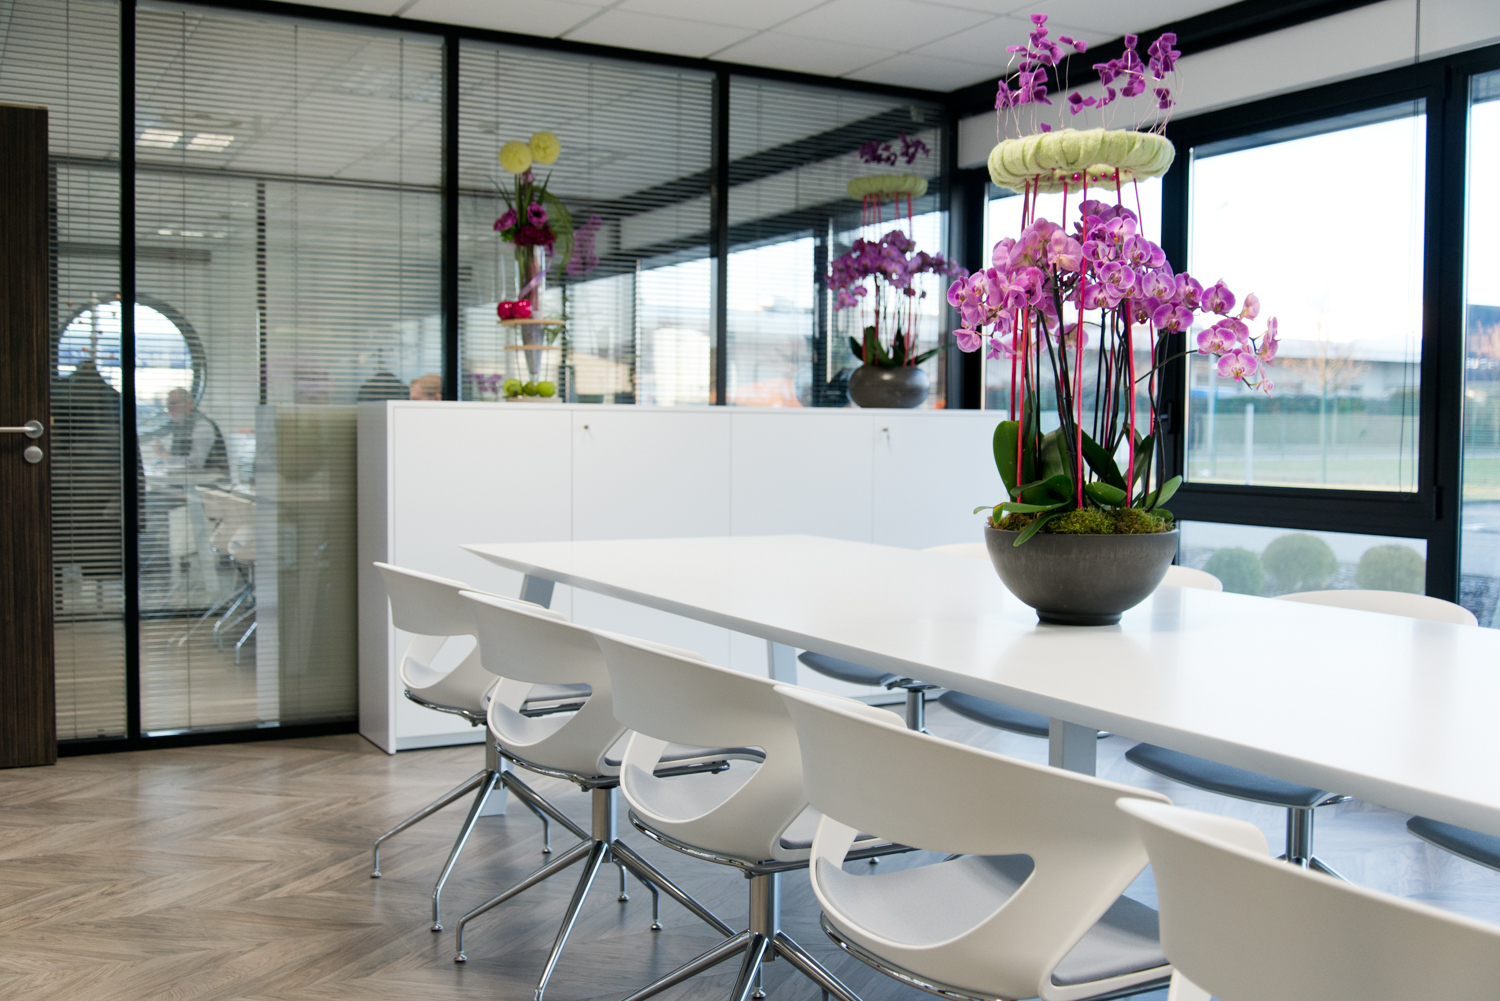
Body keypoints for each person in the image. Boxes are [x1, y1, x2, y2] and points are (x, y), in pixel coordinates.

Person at [156, 387, 229, 479]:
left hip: (209, 482)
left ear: (188, 404)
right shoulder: (181, 425)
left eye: (173, 404)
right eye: (168, 405)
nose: (169, 409)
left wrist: (166, 456)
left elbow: (195, 464)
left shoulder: (202, 425)